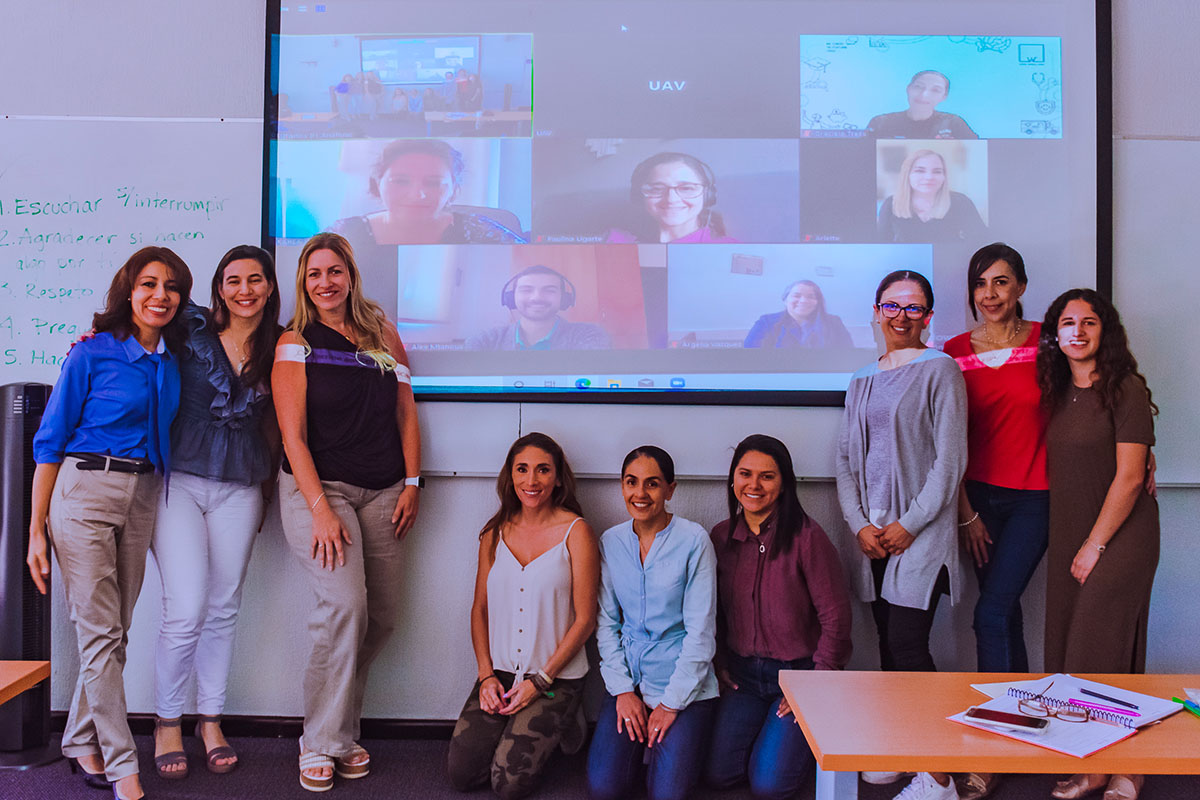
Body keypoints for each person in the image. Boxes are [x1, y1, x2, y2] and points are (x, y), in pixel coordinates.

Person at [27, 246, 193, 800]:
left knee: (114, 632)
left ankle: (79, 738)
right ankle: (125, 769)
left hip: (144, 493)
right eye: (148, 284)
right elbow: (49, 444)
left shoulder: (171, 361)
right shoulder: (91, 354)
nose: (160, 296)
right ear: (128, 291)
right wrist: (35, 530)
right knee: (99, 636)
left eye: (171, 287)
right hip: (84, 491)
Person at [272, 232, 422, 792]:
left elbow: (406, 411)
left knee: (379, 615)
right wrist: (319, 509)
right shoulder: (294, 343)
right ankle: (321, 740)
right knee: (343, 606)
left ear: (351, 276)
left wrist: (412, 482)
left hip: (385, 490)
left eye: (335, 271)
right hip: (320, 489)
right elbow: (293, 437)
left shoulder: (383, 331)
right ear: (303, 282)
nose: (325, 282)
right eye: (315, 274)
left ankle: (340, 729)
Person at [149, 245, 282, 781]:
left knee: (225, 606)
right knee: (185, 609)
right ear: (219, 287)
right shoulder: (189, 328)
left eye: (255, 280)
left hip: (242, 484)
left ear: (270, 288)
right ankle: (165, 722)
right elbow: (137, 333)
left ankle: (210, 721)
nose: (244, 289)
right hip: (177, 480)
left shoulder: (282, 345)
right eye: (233, 280)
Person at [834, 270, 967, 800]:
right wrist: (859, 524)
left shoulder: (941, 370)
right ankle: (899, 748)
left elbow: (949, 463)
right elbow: (845, 458)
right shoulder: (862, 377)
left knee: (911, 646)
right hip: (871, 539)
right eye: (892, 306)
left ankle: (938, 774)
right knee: (888, 644)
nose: (901, 317)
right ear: (876, 310)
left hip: (921, 536)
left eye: (914, 309)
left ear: (928, 318)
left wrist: (907, 525)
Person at [1037, 289, 1159, 800]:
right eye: (1068, 322)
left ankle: (1109, 769)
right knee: (1084, 652)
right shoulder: (1055, 389)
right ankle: (1124, 765)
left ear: (1105, 331)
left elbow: (1131, 479)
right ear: (1056, 334)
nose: (1079, 331)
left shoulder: (1124, 388)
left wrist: (1094, 546)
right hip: (1070, 531)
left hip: (1120, 536)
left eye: (1090, 322)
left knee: (1096, 647)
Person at [447, 433, 598, 800]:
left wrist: (540, 680)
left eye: (543, 470)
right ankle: (524, 723)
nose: (532, 481)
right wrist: (485, 676)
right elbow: (479, 609)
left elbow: (586, 620)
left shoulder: (576, 533)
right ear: (510, 476)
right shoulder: (494, 533)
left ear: (558, 478)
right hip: (499, 672)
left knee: (508, 785)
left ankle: (567, 717)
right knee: (461, 775)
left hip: (554, 676)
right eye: (523, 470)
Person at [705, 435, 853, 800]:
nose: (754, 486)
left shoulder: (808, 538)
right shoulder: (721, 537)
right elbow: (715, 614)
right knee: (718, 776)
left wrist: (815, 687)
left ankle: (816, 728)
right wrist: (720, 662)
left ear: (784, 482)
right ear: (732, 480)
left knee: (769, 786)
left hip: (798, 676)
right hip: (743, 678)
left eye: (767, 477)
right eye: (745, 474)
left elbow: (836, 618)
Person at [588, 446, 717, 800]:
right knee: (604, 787)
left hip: (683, 685)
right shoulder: (611, 542)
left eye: (652, 484)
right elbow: (607, 623)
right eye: (631, 482)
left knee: (667, 794)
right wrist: (623, 691)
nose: (640, 493)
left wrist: (671, 703)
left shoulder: (694, 541)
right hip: (629, 681)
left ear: (670, 489)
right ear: (621, 485)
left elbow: (700, 633)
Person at [465, 265, 611, 351]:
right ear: (510, 298)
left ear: (565, 298)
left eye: (549, 290)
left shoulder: (589, 335)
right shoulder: (484, 340)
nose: (537, 298)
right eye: (526, 290)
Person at [606, 152, 739, 244]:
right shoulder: (614, 239)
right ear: (639, 195)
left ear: (707, 195)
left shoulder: (728, 249)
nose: (671, 199)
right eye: (657, 188)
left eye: (687, 188)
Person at [877, 149, 986, 243]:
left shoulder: (961, 202)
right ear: (907, 175)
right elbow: (880, 246)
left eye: (937, 172)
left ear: (944, 176)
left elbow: (982, 242)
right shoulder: (891, 204)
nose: (929, 177)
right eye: (920, 171)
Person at [865, 70, 978, 139]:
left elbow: (978, 154)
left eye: (935, 90)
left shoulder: (953, 123)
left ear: (944, 97)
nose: (924, 94)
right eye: (918, 87)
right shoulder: (881, 122)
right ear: (908, 89)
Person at [743, 280, 854, 348]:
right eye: (797, 295)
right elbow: (750, 356)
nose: (803, 301)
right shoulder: (766, 322)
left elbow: (848, 352)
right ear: (785, 300)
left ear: (818, 302)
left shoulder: (834, 322)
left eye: (811, 296)